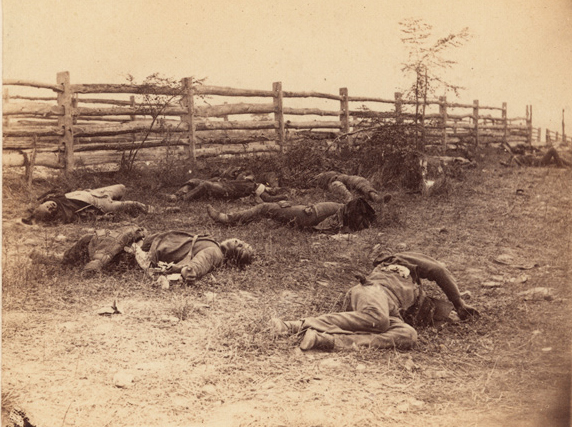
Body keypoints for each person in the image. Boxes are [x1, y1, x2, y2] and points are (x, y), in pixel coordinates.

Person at [270, 251, 480, 351]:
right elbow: (438, 270)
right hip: (373, 291)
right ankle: (294, 325)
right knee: (378, 320)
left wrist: (449, 309)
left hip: (392, 310)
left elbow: (430, 309)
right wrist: (459, 303)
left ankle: (326, 341)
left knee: (408, 335)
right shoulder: (397, 261)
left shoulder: (414, 289)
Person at [134, 231, 255, 284]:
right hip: (157, 241)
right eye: (242, 242)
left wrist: (181, 269)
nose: (237, 241)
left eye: (239, 246)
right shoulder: (216, 247)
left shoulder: (215, 253)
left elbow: (194, 268)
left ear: (234, 258)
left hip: (156, 248)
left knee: (128, 231)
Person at [206, 197, 377, 233]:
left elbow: (336, 225)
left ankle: (228, 219)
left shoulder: (347, 210)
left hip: (309, 215)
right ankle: (238, 220)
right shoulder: (346, 208)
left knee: (265, 207)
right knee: (271, 210)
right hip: (309, 211)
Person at [22, 184, 151, 225]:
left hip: (96, 192)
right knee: (133, 205)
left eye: (47, 206)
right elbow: (81, 217)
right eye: (50, 211)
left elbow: (33, 210)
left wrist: (31, 217)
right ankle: (150, 209)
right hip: (102, 204)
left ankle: (124, 204)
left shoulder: (54, 197)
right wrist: (101, 217)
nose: (51, 206)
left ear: (44, 203)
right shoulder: (66, 213)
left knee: (122, 187)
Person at [313, 171, 390, 204]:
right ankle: (351, 201)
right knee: (337, 185)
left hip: (345, 177)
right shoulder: (314, 180)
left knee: (360, 181)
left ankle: (376, 198)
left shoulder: (329, 171)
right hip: (332, 182)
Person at [502, 145, 572, 168]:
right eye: (519, 150)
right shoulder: (517, 158)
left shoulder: (522, 156)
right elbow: (522, 165)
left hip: (539, 160)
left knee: (560, 158)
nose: (522, 150)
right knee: (552, 149)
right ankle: (560, 165)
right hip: (540, 162)